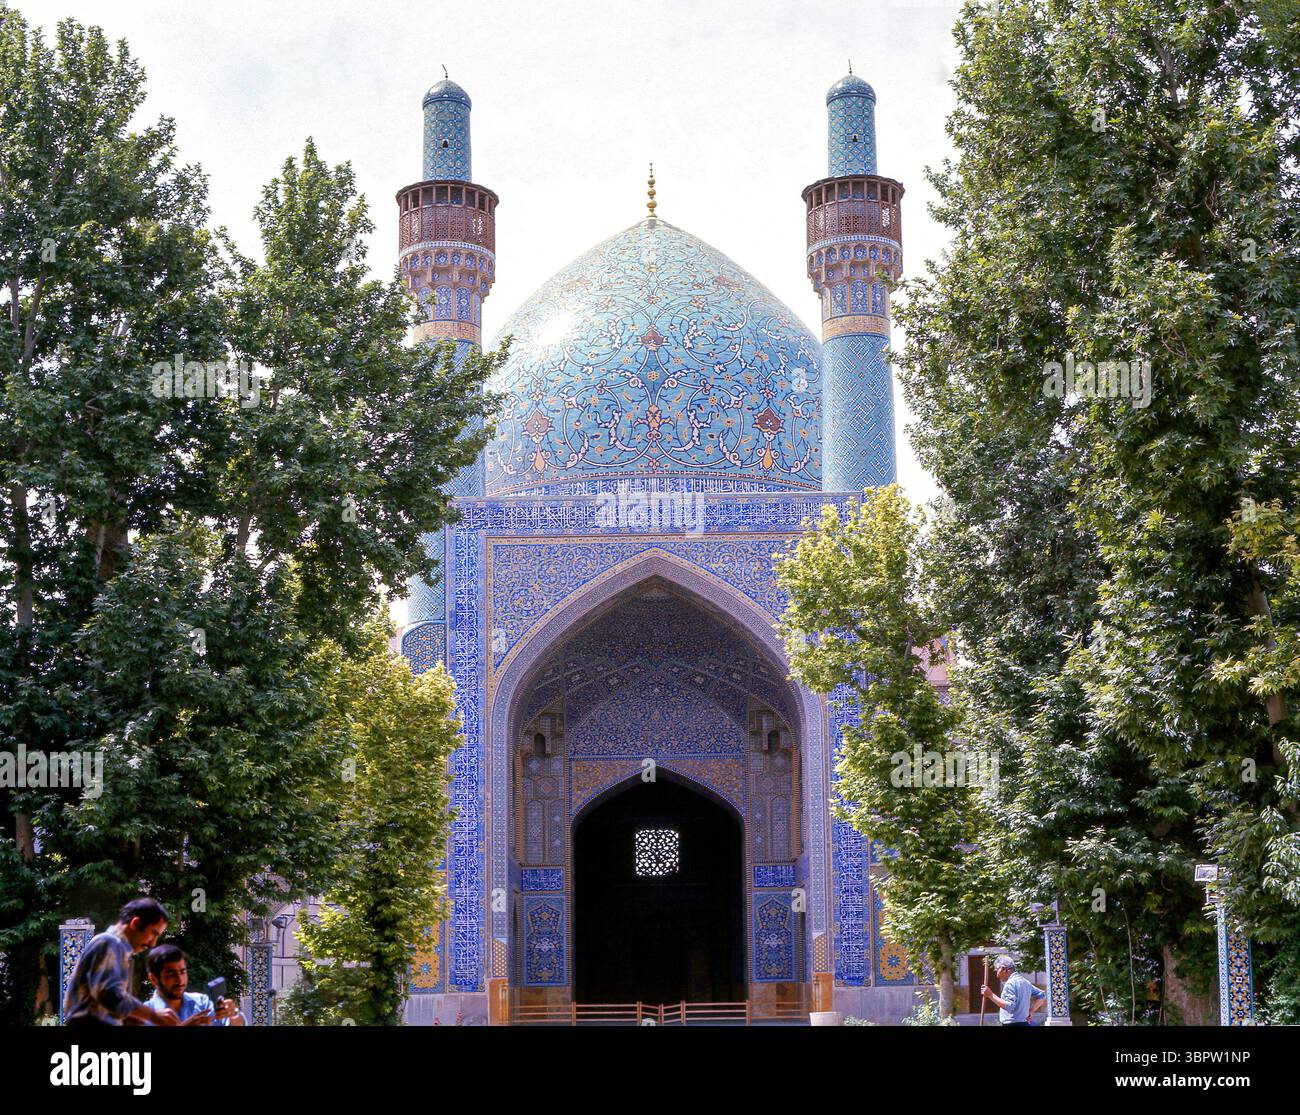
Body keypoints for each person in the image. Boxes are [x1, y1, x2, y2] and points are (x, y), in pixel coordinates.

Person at [63, 897, 179, 1027]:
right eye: (153, 934)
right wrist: (153, 1015)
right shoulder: (109, 942)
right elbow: (109, 994)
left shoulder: (118, 950)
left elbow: (106, 1005)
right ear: (135, 923)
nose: (153, 943)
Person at [145, 944, 246, 1026]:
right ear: (153, 978)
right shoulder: (144, 1015)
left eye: (182, 972)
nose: (180, 980)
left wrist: (233, 1014)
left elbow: (230, 1023)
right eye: (171, 974)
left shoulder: (201, 1003)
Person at [980, 955, 1047, 1026]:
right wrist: (1031, 1011)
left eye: (997, 970)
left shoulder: (1010, 984)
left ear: (1003, 969)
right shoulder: (1025, 982)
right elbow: (1042, 995)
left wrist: (990, 995)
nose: (997, 975)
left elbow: (1009, 1006)